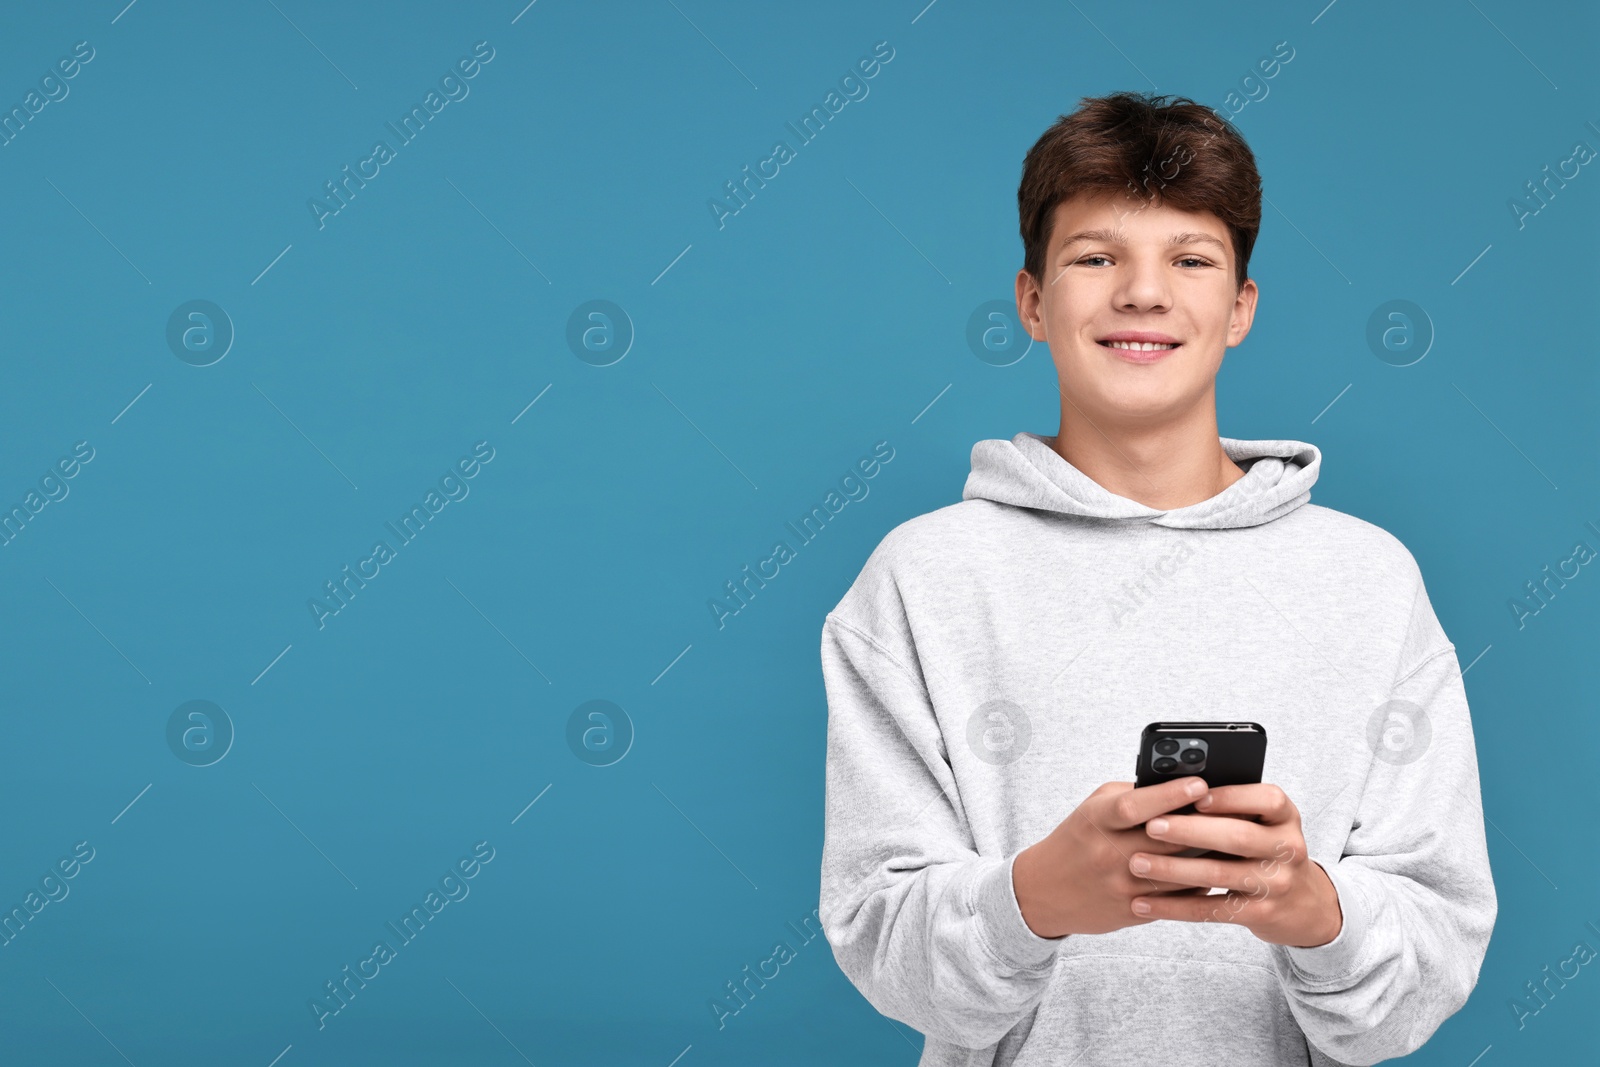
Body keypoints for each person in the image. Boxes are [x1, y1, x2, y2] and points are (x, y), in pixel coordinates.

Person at [817, 91, 1496, 1066]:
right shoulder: (920, 578)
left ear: (1239, 308)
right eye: (1096, 257)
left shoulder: (1370, 580)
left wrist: (1311, 908)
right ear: (1032, 301)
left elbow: (1422, 972)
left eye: (1190, 259)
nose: (1142, 292)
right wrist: (1040, 894)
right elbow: (882, 943)